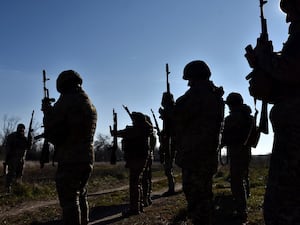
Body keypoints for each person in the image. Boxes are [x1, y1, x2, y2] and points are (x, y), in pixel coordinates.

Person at [246, 0, 300, 224]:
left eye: (292, 12)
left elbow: (289, 70)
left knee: (283, 207)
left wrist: (266, 57)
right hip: (291, 130)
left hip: (296, 132)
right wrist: (261, 66)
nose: (288, 19)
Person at [162, 60, 224, 225]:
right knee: (204, 197)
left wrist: (168, 106)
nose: (188, 83)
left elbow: (179, 117)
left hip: (195, 155)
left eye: (189, 79)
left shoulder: (199, 94)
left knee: (197, 201)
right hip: (204, 154)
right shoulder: (212, 94)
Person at [41, 70, 97, 225]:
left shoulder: (68, 100)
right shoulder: (88, 102)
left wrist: (47, 111)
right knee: (81, 194)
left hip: (71, 157)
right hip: (87, 157)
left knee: (69, 201)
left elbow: (52, 127)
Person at [221, 92, 253, 223]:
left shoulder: (232, 118)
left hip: (236, 151)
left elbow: (225, 137)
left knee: (236, 182)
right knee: (243, 177)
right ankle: (244, 203)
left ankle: (241, 212)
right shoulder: (247, 116)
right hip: (245, 151)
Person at [113, 112, 153, 216]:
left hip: (136, 159)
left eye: (134, 120)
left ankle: (134, 209)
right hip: (141, 158)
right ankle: (138, 207)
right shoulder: (144, 129)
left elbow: (124, 133)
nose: (132, 122)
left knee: (134, 184)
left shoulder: (137, 130)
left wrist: (115, 132)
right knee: (137, 183)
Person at [4, 123, 32, 193]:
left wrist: (30, 136)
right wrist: (8, 157)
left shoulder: (24, 138)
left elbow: (29, 147)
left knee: (19, 175)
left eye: (23, 129)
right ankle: (8, 189)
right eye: (20, 129)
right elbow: (8, 147)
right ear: (18, 128)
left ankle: (18, 188)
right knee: (11, 174)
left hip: (21, 159)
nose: (22, 130)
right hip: (13, 159)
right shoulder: (12, 136)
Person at [142, 115, 156, 207]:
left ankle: (145, 198)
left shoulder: (147, 132)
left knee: (145, 179)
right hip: (150, 156)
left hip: (146, 156)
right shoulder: (152, 132)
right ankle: (147, 198)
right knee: (148, 178)